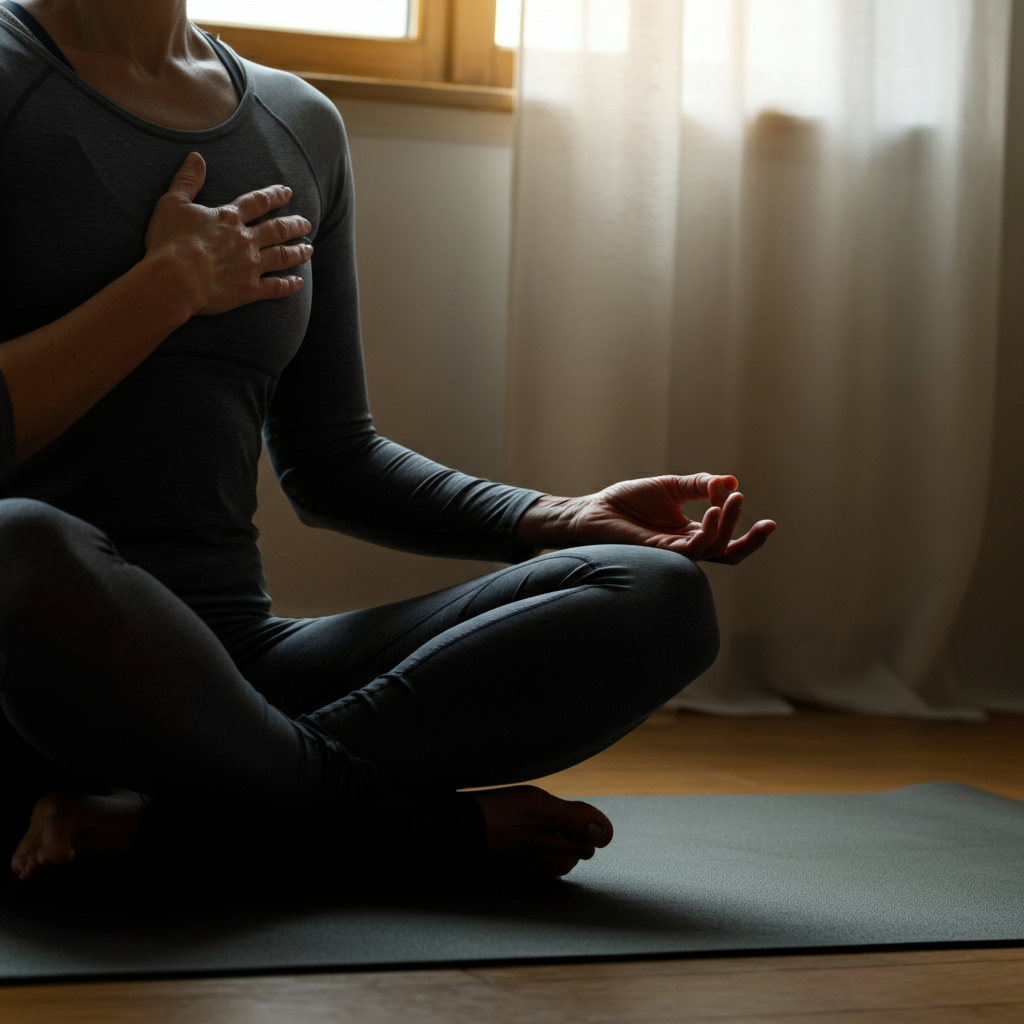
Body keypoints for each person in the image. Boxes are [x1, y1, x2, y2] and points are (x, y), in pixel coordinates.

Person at [0, 0, 775, 884]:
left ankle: (170, 826)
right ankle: (393, 832)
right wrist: (168, 288)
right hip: (28, 667)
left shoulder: (296, 123)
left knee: (656, 596)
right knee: (19, 542)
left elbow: (332, 459)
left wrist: (551, 518)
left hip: (233, 667)